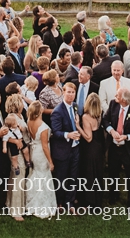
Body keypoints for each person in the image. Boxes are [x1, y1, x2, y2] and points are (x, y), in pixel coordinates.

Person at [103, 87, 130, 207]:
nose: (115, 97)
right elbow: (105, 120)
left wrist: (126, 137)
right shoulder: (113, 105)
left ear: (124, 100)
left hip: (128, 149)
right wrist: (111, 131)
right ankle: (114, 195)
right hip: (114, 148)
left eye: (117, 95)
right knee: (113, 173)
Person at [49, 82, 81, 211]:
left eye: (73, 92)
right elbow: (55, 132)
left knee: (73, 176)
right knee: (61, 177)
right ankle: (60, 202)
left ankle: (70, 202)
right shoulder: (57, 111)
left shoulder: (75, 106)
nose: (71, 95)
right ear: (63, 92)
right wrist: (68, 135)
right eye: (68, 92)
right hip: (62, 149)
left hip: (75, 148)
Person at [24, 100, 57, 218]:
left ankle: (32, 199)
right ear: (40, 111)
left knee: (36, 175)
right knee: (43, 176)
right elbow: (44, 147)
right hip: (41, 154)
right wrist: (50, 161)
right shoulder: (43, 127)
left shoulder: (29, 121)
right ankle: (41, 204)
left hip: (34, 151)